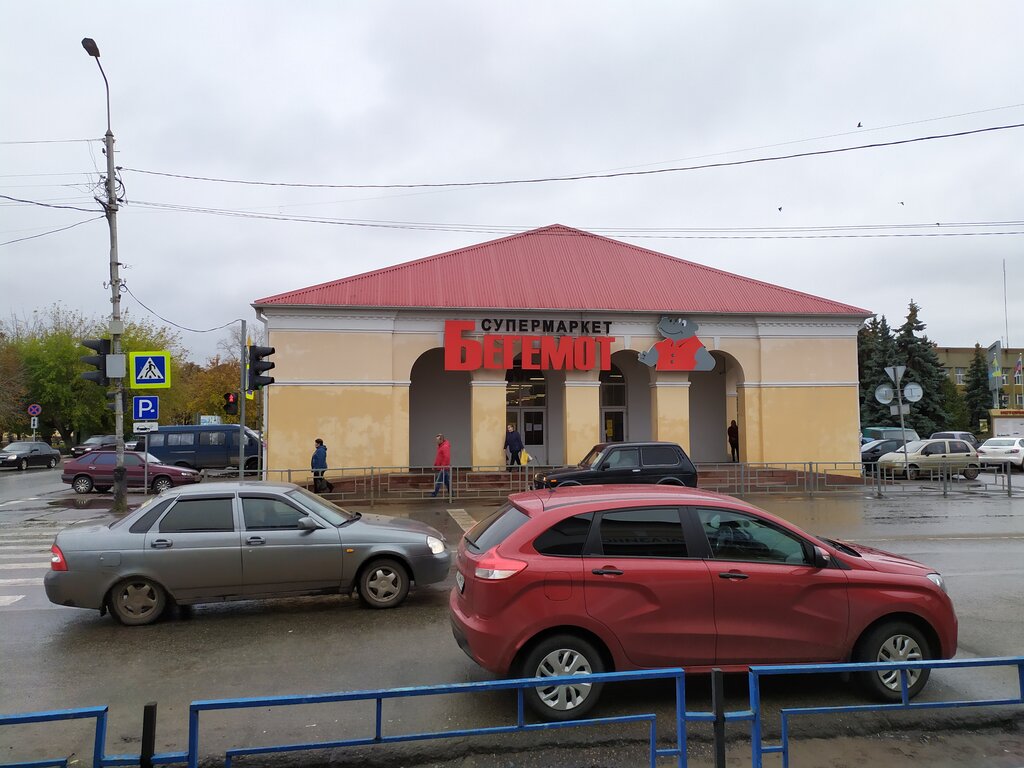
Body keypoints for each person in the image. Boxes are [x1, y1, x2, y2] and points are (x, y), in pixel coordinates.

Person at [431, 433, 451, 497]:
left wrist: (443, 466)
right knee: (447, 482)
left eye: (437, 440)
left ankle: (434, 494)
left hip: (443, 467)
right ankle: (452, 493)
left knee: (438, 481)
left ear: (441, 440)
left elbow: (446, 457)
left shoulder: (445, 447)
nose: (436, 441)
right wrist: (435, 465)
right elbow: (438, 458)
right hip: (443, 467)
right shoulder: (440, 446)